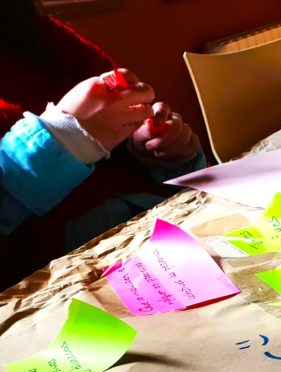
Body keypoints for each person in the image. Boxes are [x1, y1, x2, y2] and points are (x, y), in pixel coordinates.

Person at [0, 0, 205, 290]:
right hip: (58, 285)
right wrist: (62, 137)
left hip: (160, 233)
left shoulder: (39, 34)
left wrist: (152, 149)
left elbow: (125, 135)